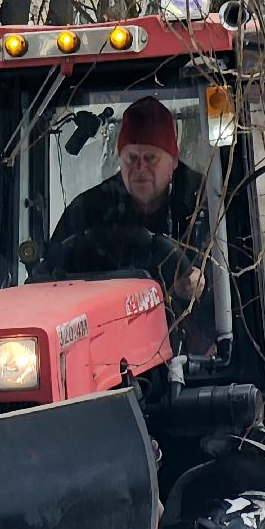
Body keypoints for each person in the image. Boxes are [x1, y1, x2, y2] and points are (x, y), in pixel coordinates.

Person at [46, 96, 215, 346]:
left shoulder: (205, 206)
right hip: (104, 340)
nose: (139, 167)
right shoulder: (89, 211)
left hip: (188, 347)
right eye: (131, 157)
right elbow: (51, 277)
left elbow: (239, 281)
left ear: (173, 160)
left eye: (150, 158)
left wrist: (204, 284)